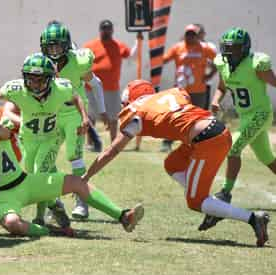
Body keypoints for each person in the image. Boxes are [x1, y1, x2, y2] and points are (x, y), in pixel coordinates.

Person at [82, 79, 270, 247]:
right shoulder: (170, 93)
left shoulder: (136, 112)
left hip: (206, 140)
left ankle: (253, 218)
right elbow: (183, 102)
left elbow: (112, 150)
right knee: (173, 163)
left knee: (195, 201)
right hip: (214, 129)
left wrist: (88, 175)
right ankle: (211, 205)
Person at [0, 119, 144, 237]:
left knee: (76, 182)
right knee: (13, 223)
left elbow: (6, 130)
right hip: (3, 195)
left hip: (26, 182)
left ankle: (123, 216)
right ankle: (49, 230)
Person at [0, 53, 89, 227]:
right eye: (31, 80)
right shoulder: (17, 89)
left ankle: (40, 216)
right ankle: (54, 205)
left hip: (50, 138)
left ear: (50, 79)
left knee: (40, 172)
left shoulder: (60, 88)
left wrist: (84, 117)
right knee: (33, 176)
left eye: (40, 80)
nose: (34, 84)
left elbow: (76, 97)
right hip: (28, 139)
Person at [199, 28, 276, 231]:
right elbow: (222, 87)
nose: (230, 52)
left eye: (234, 49)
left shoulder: (256, 64)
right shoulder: (222, 64)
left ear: (245, 48)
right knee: (266, 158)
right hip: (245, 117)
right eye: (228, 48)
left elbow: (274, 82)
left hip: (260, 114)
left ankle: (225, 192)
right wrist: (216, 101)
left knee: (233, 148)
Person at [40, 22, 108, 219]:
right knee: (45, 159)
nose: (53, 50)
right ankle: (54, 203)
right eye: (50, 46)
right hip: (52, 115)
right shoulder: (42, 64)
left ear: (67, 45)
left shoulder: (78, 62)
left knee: (74, 156)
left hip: (74, 115)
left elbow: (96, 84)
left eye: (57, 46)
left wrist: (101, 110)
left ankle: (81, 201)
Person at [161, 24, 217, 152]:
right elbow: (163, 60)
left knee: (197, 119)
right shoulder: (178, 47)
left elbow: (219, 62)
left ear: (197, 36)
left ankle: (195, 144)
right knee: (176, 117)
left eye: (193, 34)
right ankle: (167, 142)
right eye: (188, 34)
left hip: (199, 91)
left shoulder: (205, 48)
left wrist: (210, 74)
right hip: (181, 91)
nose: (190, 36)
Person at [84, 19, 132, 143]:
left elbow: (130, 55)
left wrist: (138, 40)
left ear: (112, 30)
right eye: (104, 29)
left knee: (113, 117)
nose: (106, 31)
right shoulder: (90, 46)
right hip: (92, 87)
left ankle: (113, 141)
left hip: (111, 88)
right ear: (100, 30)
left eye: (108, 29)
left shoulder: (118, 45)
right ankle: (91, 142)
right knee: (91, 116)